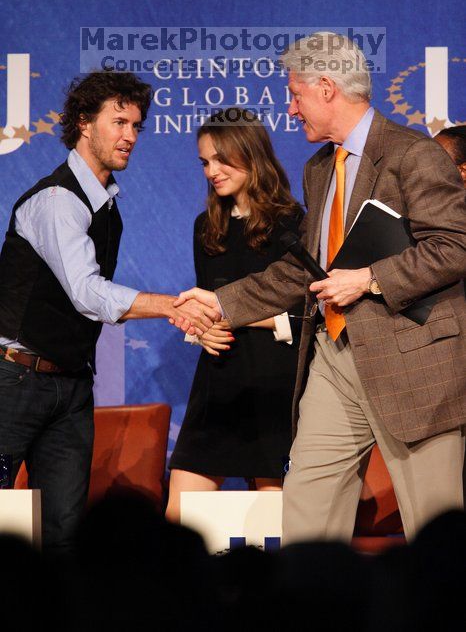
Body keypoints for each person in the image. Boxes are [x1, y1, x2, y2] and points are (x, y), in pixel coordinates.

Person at [176, 32, 466, 545]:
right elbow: (305, 271)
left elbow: (455, 245)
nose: (290, 109)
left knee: (434, 530)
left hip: (410, 359)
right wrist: (222, 302)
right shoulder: (317, 170)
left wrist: (372, 278)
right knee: (307, 512)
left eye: (296, 94)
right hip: (333, 356)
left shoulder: (413, 155)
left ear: (327, 87)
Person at [0, 71, 219, 554]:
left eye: (137, 126)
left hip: (71, 386)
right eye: (118, 122)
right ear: (84, 123)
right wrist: (171, 305)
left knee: (64, 532)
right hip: (13, 382)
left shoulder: (107, 204)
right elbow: (86, 294)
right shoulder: (58, 200)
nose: (130, 136)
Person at [166, 109, 304, 522]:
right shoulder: (206, 226)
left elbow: (305, 315)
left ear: (251, 154)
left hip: (273, 386)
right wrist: (201, 331)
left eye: (221, 159)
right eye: (205, 162)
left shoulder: (292, 223)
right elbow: (205, 303)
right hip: (217, 384)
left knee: (273, 522)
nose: (212, 171)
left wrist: (230, 315)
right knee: (178, 514)